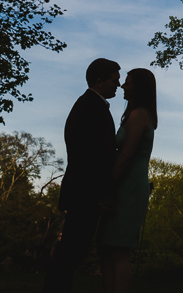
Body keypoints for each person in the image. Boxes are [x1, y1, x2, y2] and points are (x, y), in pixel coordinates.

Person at [43, 58, 121, 293]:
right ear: (100, 81)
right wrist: (104, 193)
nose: (117, 85)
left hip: (83, 190)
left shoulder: (89, 105)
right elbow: (94, 157)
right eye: (114, 80)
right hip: (86, 193)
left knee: (71, 252)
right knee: (71, 253)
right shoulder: (91, 108)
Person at [98, 67, 157, 293]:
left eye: (128, 83)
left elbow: (126, 155)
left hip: (129, 187)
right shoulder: (134, 114)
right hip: (124, 185)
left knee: (118, 250)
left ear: (139, 88)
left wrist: (108, 187)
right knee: (107, 248)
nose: (123, 86)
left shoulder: (140, 114)